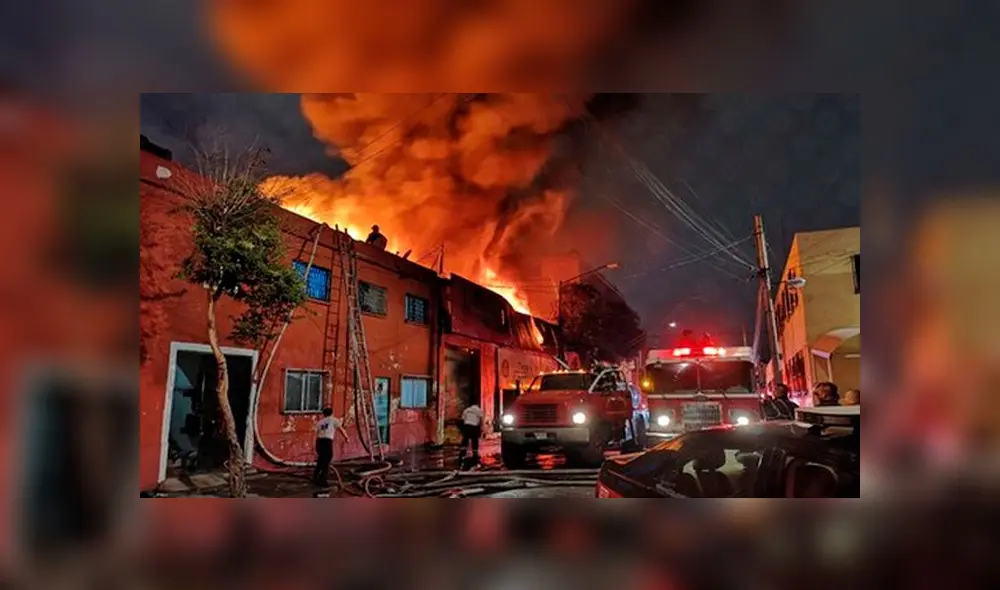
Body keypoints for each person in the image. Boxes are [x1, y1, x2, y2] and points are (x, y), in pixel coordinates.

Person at [313, 407, 349, 487]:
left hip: (319, 441)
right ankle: (323, 481)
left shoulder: (320, 422)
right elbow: (341, 429)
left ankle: (315, 477)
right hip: (327, 441)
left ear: (324, 414)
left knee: (321, 460)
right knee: (327, 461)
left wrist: (316, 446)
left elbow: (317, 434)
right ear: (332, 413)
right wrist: (346, 437)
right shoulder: (334, 420)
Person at [458, 402, 484, 468]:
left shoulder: (467, 410)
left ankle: (463, 452)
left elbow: (462, 419)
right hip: (474, 427)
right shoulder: (479, 410)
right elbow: (481, 420)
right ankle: (475, 453)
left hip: (467, 426)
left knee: (465, 439)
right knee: (474, 440)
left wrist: (463, 429)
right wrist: (481, 428)